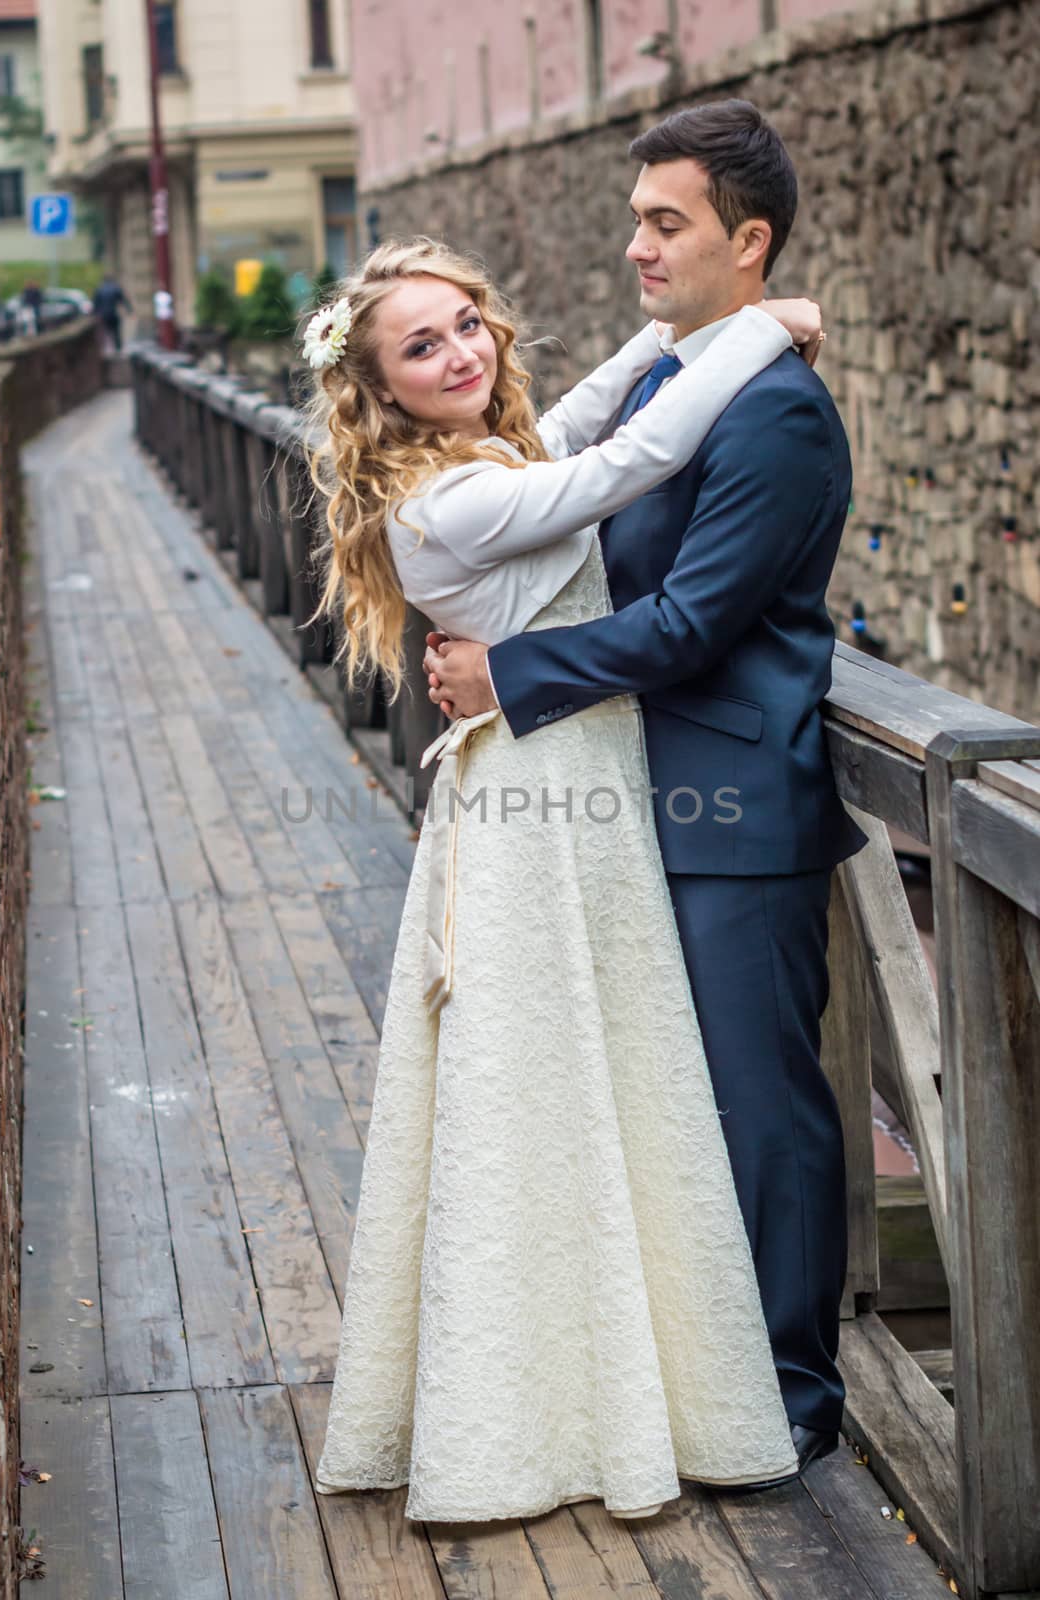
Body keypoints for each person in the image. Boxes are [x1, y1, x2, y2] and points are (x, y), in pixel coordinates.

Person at [302, 231, 828, 1523]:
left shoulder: (483, 454)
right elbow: (630, 461)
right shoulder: (449, 499)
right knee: (554, 1080)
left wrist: (680, 332)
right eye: (420, 347)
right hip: (546, 807)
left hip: (571, 786)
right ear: (377, 389)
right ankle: (552, 1398)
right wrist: (758, 333)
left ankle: (637, 1362)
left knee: (615, 1069)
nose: (460, 353)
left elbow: (585, 412)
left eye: (468, 323)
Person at [426, 99, 869, 1488]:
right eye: (634, 219)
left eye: (664, 222)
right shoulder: (685, 377)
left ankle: (793, 1399)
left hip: (737, 806)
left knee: (762, 1111)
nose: (636, 246)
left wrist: (513, 674)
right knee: (665, 1108)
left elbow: (689, 623)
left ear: (748, 240)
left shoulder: (781, 418)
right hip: (634, 797)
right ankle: (696, 1379)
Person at [92, 273, 132, 352]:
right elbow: (123, 300)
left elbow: (95, 303)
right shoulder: (115, 288)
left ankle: (106, 349)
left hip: (104, 315)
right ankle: (118, 349)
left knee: (106, 333)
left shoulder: (100, 289)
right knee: (116, 332)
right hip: (113, 314)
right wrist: (129, 310)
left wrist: (94, 314)